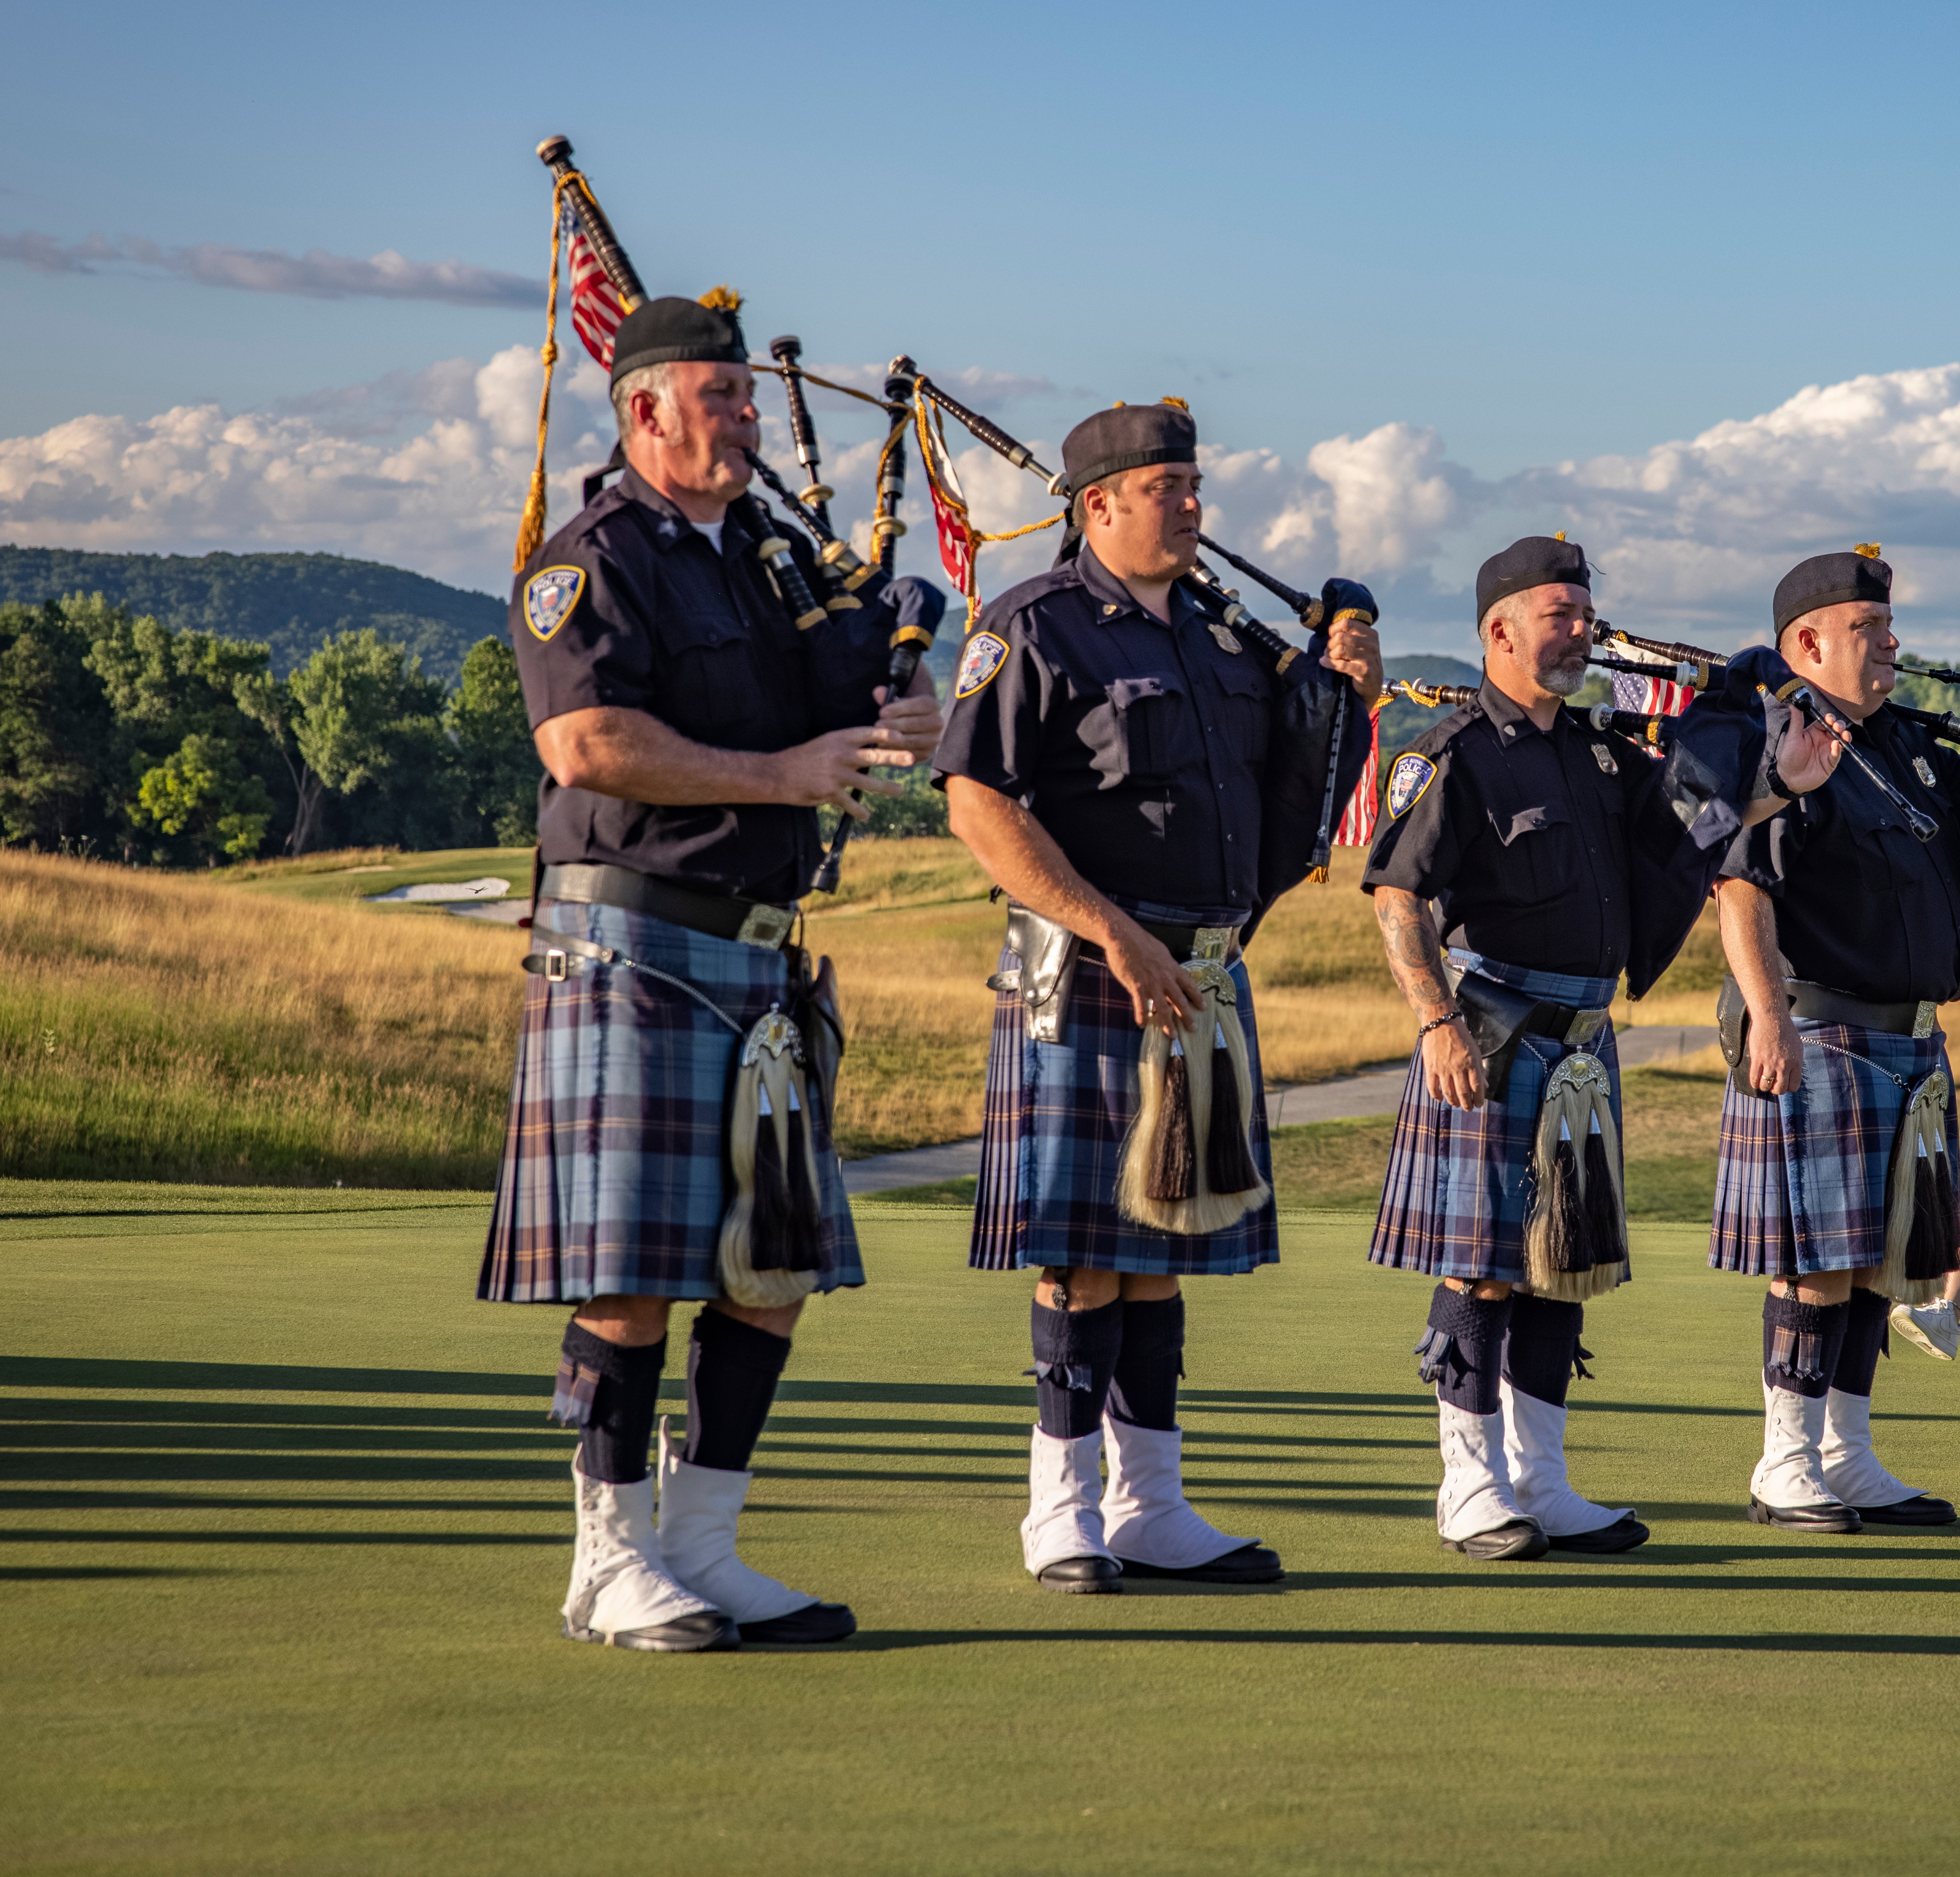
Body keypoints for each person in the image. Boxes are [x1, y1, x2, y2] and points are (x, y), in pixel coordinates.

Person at [483, 291, 936, 1650]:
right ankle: (609, 1559)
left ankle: (702, 1546)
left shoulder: (758, 560)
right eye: (724, 400)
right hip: (630, 941)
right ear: (644, 411)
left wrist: (900, 706)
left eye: (747, 398)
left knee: (768, 1265)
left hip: (757, 955)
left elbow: (847, 709)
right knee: (628, 1269)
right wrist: (779, 774)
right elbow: (586, 745)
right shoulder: (588, 559)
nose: (748, 424)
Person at [936, 400, 1382, 1594]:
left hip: (1200, 975)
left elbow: (1294, 814)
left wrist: (1343, 695)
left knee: (1159, 1255)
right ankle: (1061, 1512)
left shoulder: (1226, 643)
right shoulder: (1033, 628)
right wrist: (1115, 933)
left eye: (1194, 486)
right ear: (1097, 507)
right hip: (1085, 975)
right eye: (1165, 488)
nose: (1191, 506)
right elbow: (978, 800)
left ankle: (1151, 1507)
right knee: (1085, 1259)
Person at [1362, 536, 1832, 1559]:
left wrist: (1778, 790)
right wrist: (1435, 1020)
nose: (1580, 629)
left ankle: (1543, 1480)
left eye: (1584, 611)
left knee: (1557, 1268)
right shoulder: (1451, 753)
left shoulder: (1602, 753)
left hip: (1580, 1042)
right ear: (1499, 630)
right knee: (1482, 1270)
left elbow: (1680, 843)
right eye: (1559, 613)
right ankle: (1469, 1484)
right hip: (1489, 1028)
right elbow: (1398, 894)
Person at [1711, 548, 1960, 1533]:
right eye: (1870, 631)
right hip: (1819, 1028)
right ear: (1807, 642)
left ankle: (1847, 1452)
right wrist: (1764, 1016)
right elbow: (1740, 887)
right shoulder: (1781, 743)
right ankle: (1785, 1461)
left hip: (1908, 1040)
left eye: (1889, 629)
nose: (1891, 645)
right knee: (1817, 1260)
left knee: (1881, 1258)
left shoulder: (1903, 745)